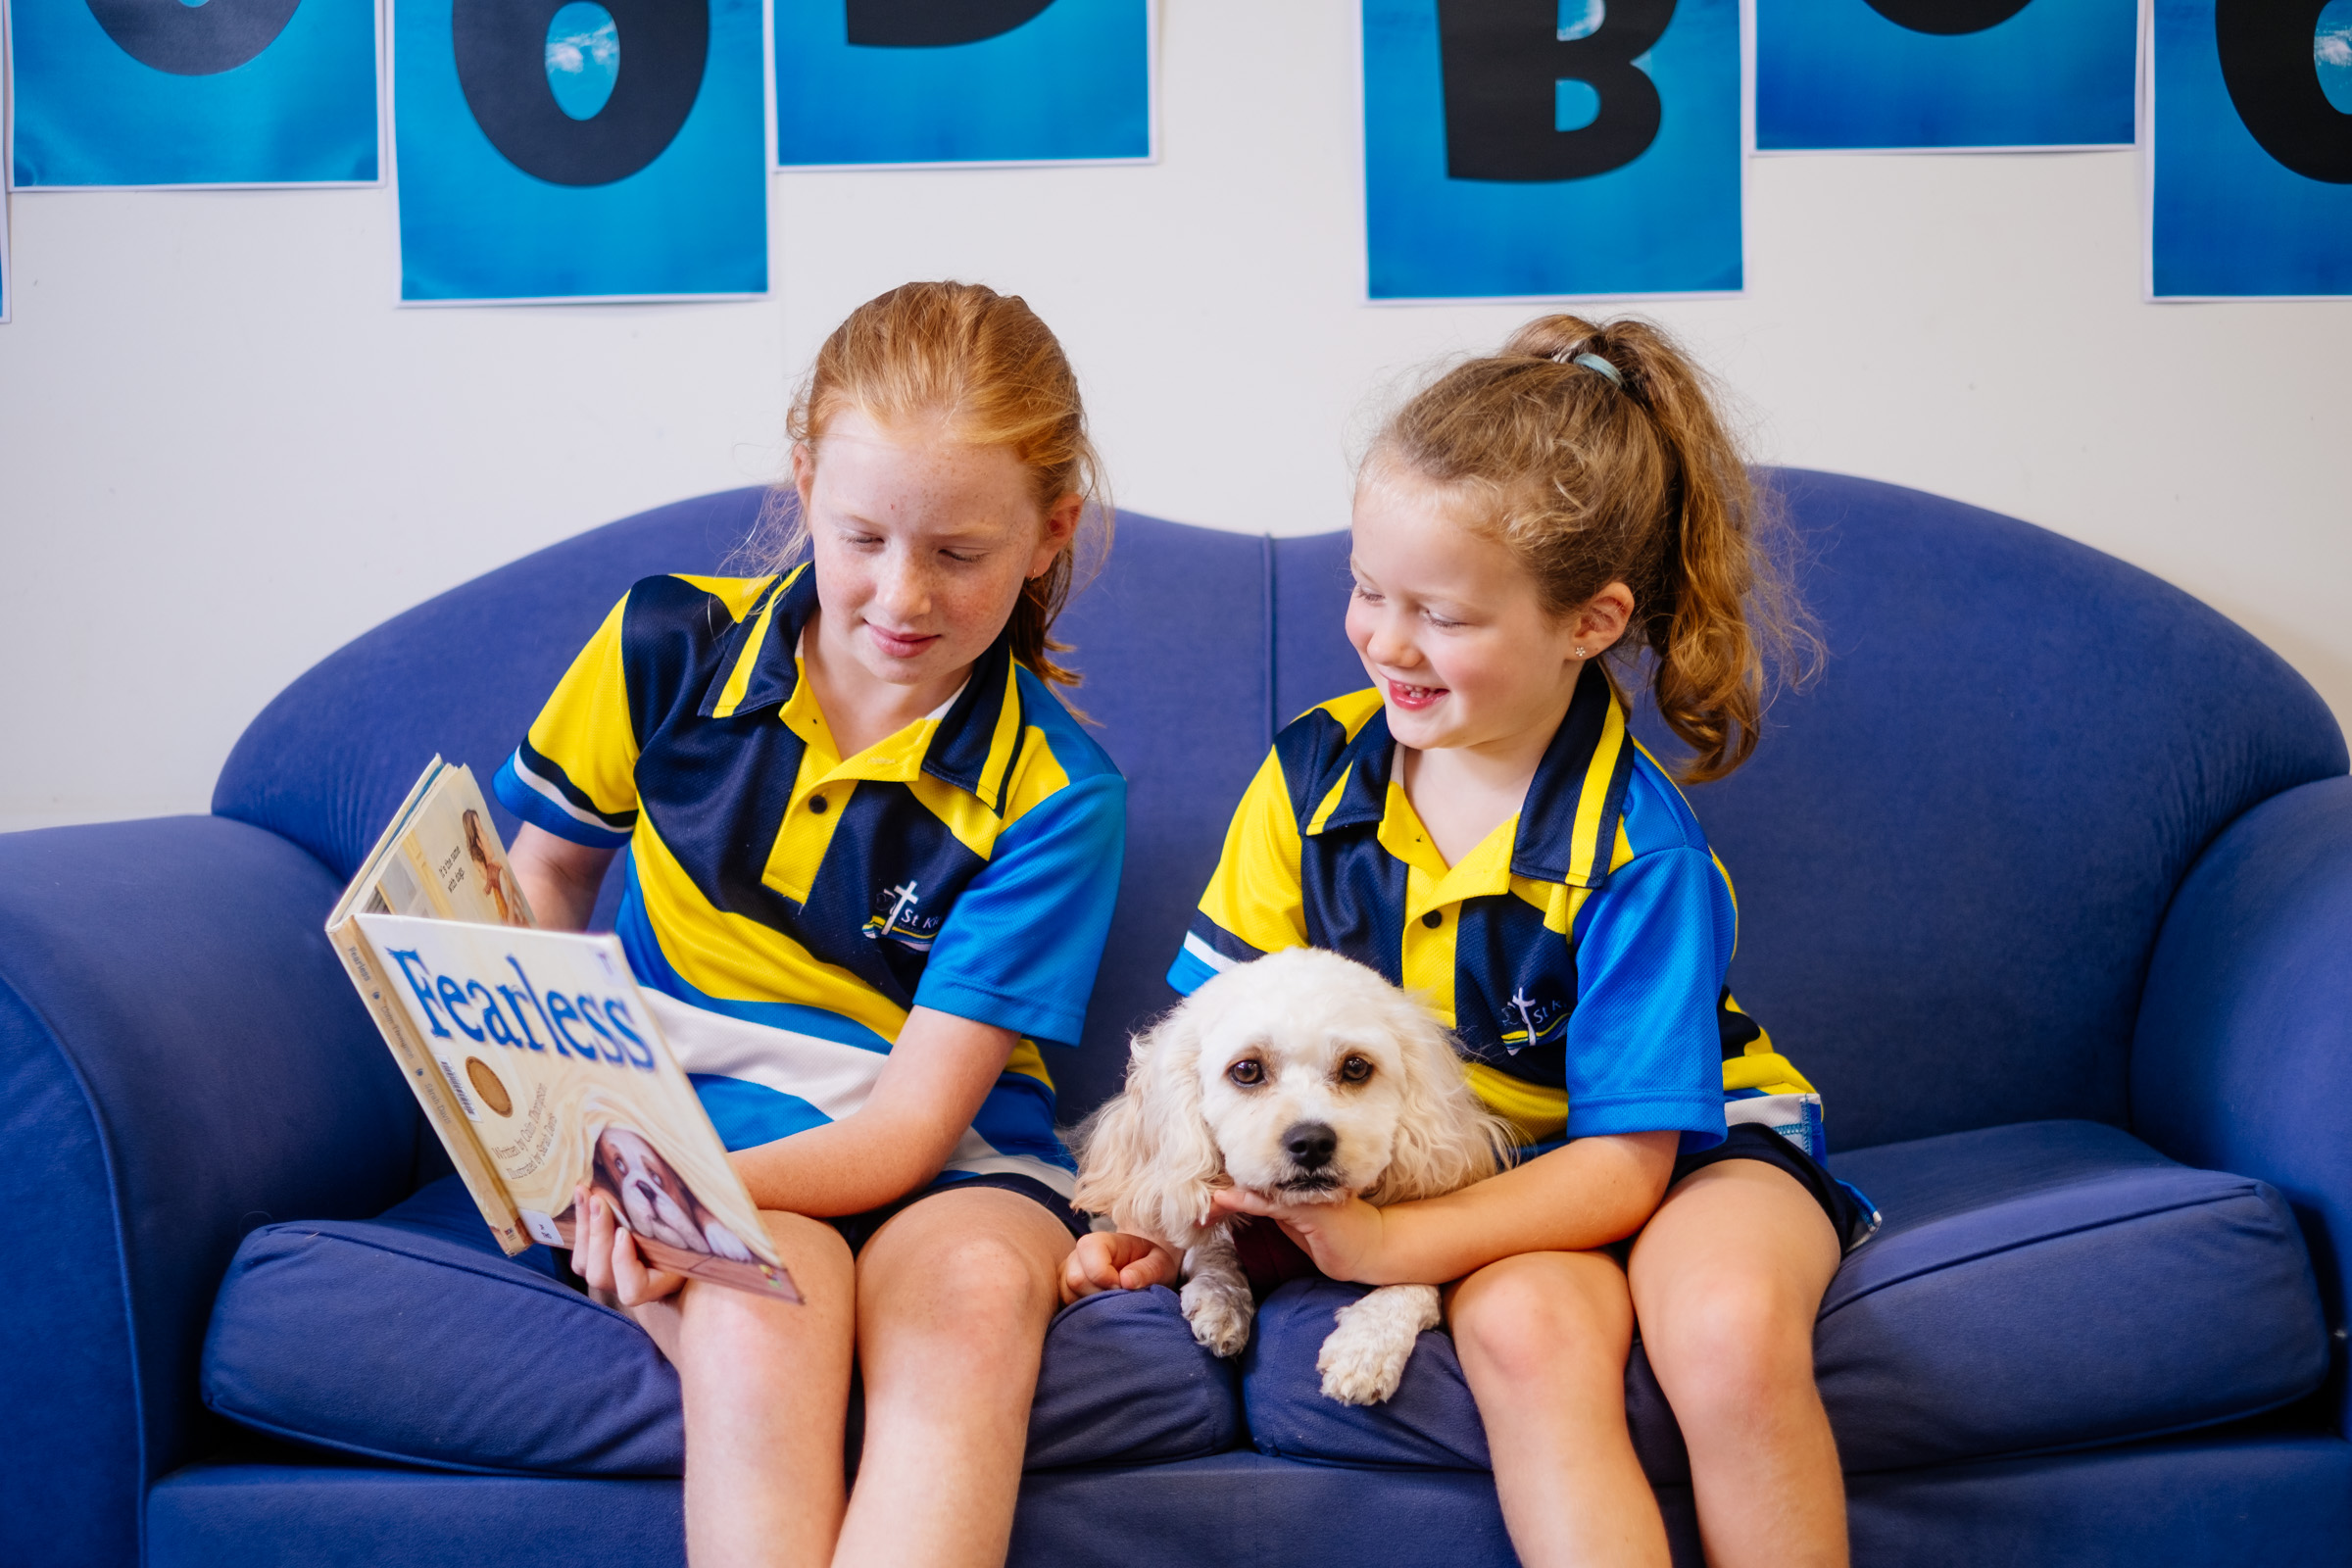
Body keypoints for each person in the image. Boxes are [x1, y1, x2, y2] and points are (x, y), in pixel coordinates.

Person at [1064, 316, 1875, 1568]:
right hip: (1483, 1186)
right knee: (1527, 1337)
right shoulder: (1310, 778)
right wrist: (1172, 1219)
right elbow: (1217, 1059)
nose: (1385, 640)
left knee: (1720, 1329)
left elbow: (1620, 1173)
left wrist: (1390, 1243)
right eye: (1366, 589)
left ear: (1590, 623)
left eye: (1438, 614)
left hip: (1679, 1153)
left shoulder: (1637, 848)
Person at [496, 281, 1126, 1568]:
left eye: (959, 553)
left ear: (1049, 533)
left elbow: (905, 1130)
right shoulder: (663, 645)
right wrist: (570, 1145)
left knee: (972, 1307)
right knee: (762, 1311)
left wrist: (667, 1192)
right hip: (694, 1125)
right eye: (861, 538)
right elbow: (542, 883)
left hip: (941, 1153)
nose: (902, 596)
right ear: (802, 484)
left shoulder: (1060, 795)